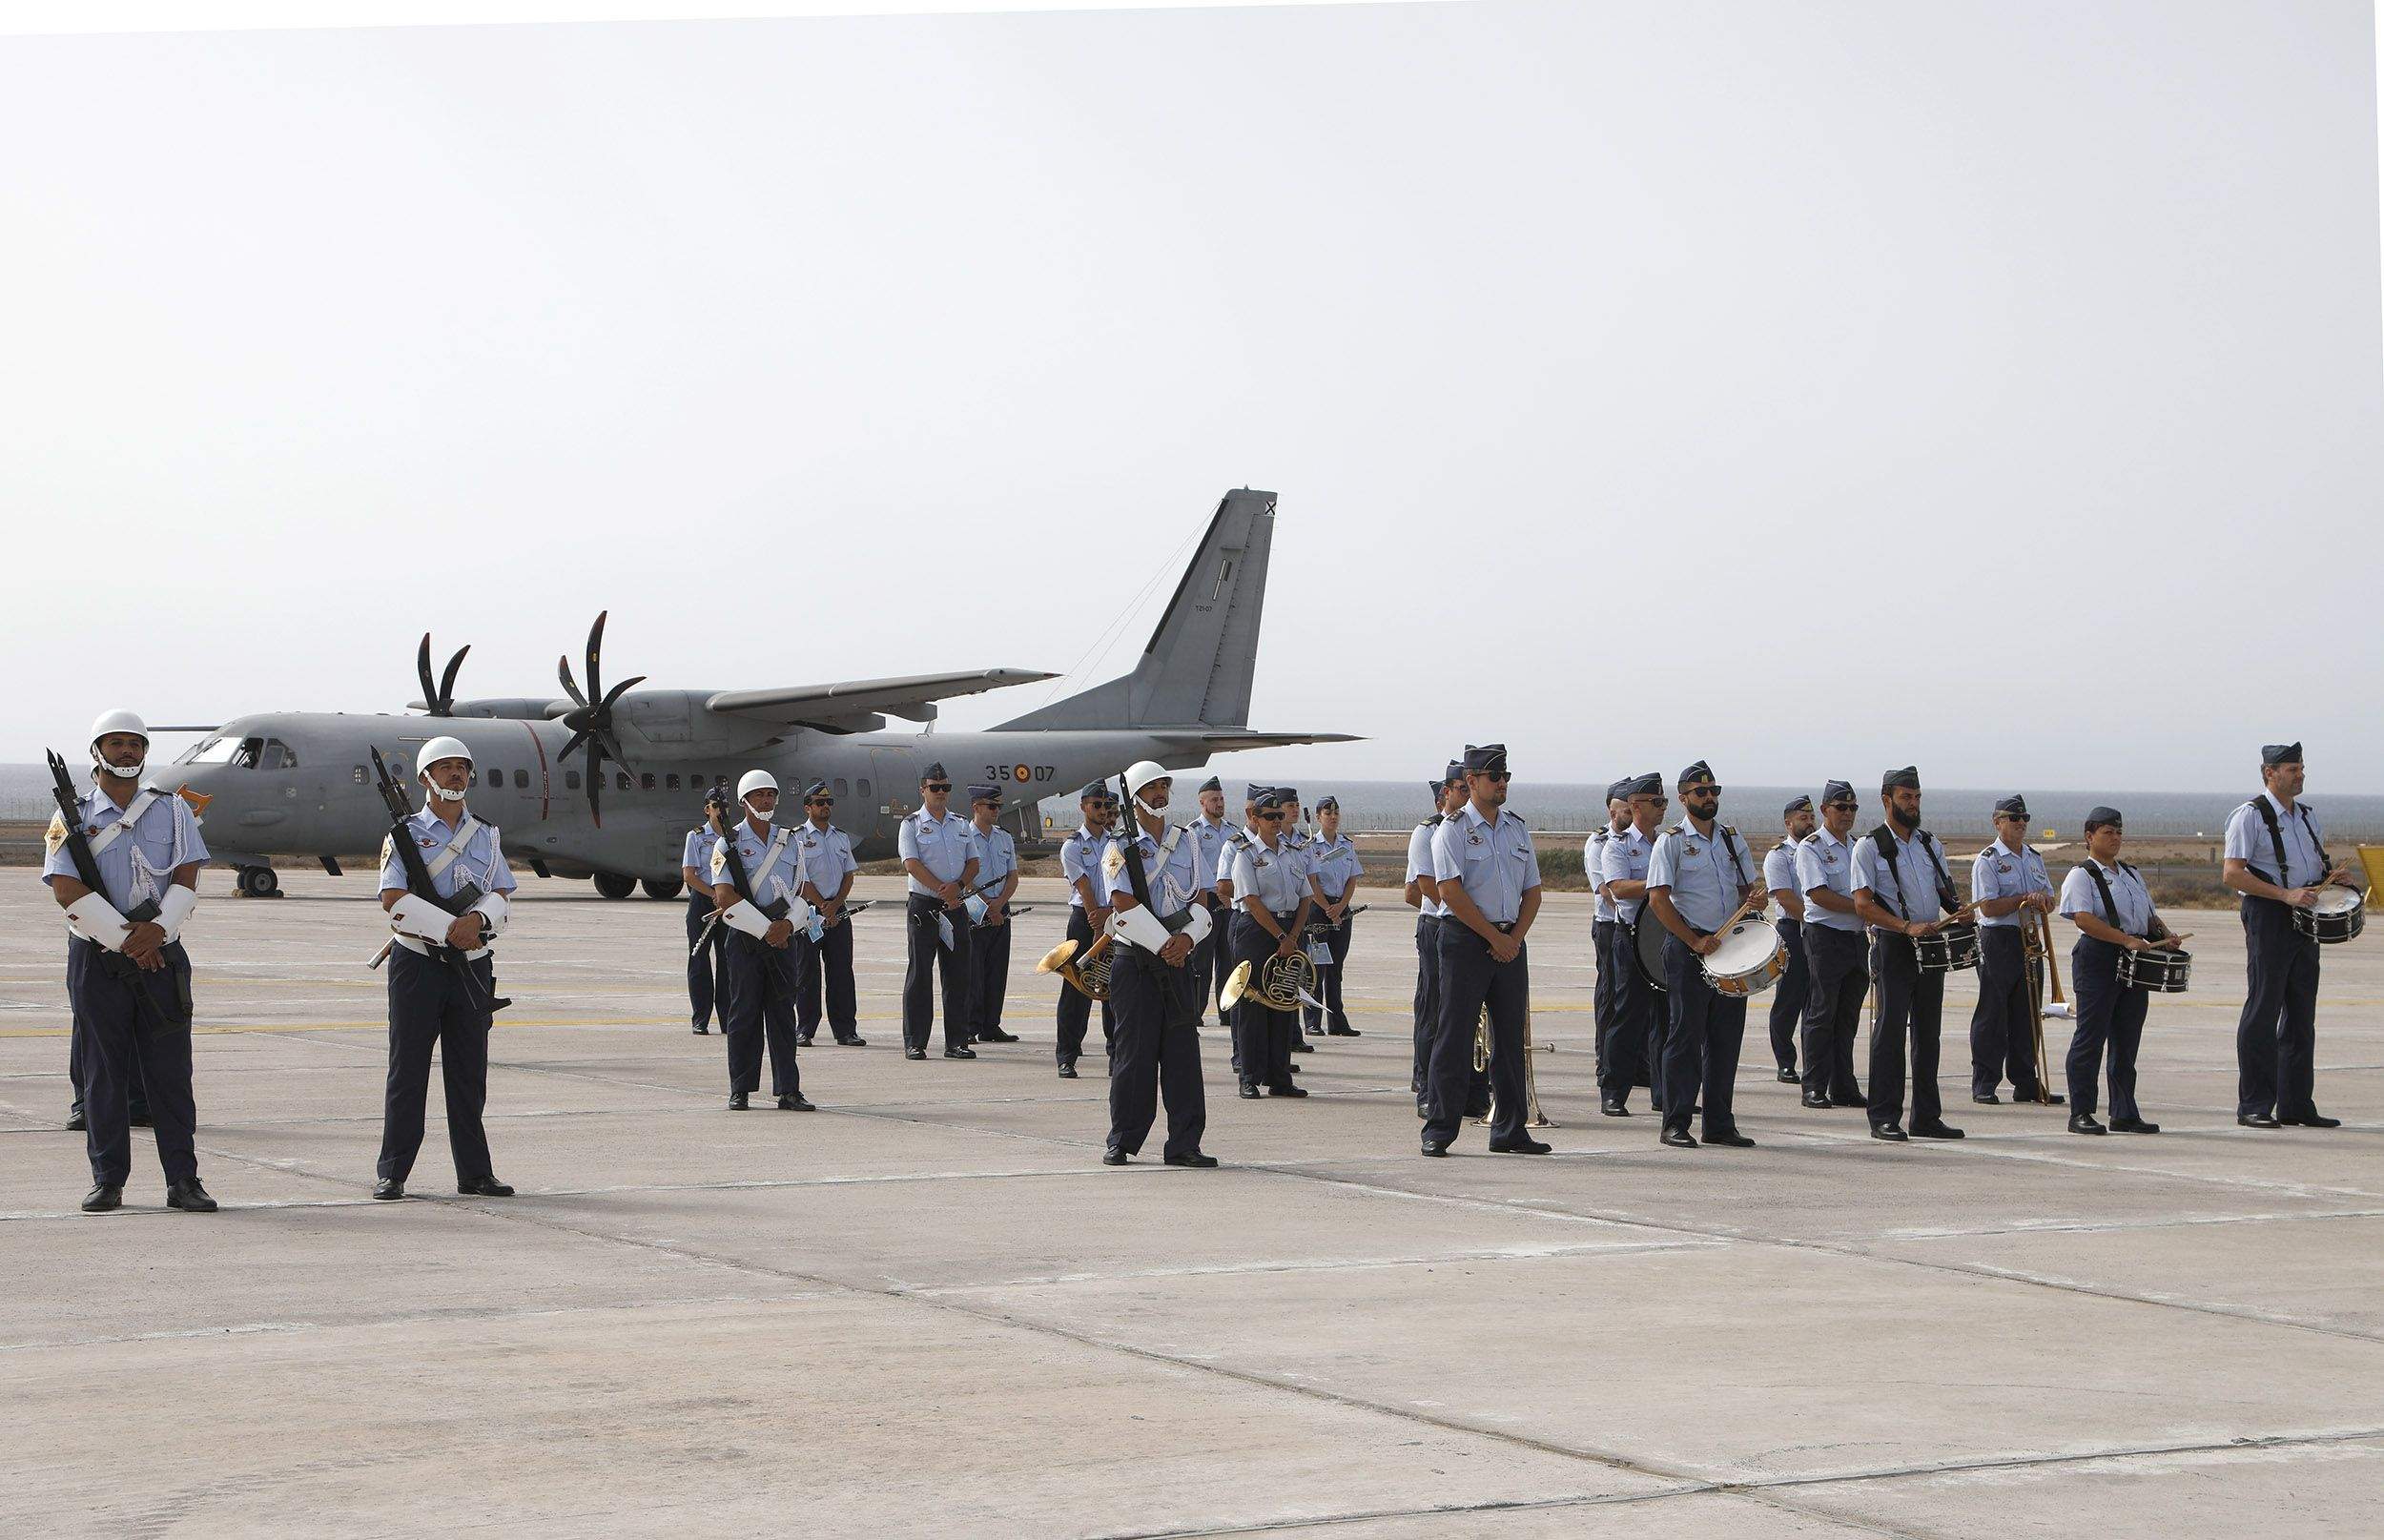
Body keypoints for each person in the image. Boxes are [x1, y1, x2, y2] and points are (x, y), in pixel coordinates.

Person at [42, 710, 215, 1214]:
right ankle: (108, 1180)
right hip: (98, 956)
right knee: (103, 1072)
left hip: (163, 951)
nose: (127, 752)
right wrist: (129, 941)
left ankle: (183, 1181)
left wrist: (157, 932)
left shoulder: (174, 811)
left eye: (135, 744)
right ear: (97, 751)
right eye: (116, 743)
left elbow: (186, 877)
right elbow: (66, 889)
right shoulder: (71, 816)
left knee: (171, 1073)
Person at [372, 735, 518, 1200]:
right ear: (425, 778)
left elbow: (501, 892)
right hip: (417, 964)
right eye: (445, 766)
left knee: (469, 1073)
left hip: (473, 965)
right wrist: (451, 928)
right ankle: (393, 1171)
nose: (456, 773)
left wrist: (475, 923)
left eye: (462, 766)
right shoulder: (404, 835)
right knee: (408, 1070)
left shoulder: (487, 834)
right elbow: (393, 900)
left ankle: (475, 1172)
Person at [1421, 743, 1547, 1157]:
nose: (1502, 783)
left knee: (1510, 1040)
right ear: (1471, 782)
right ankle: (1440, 1128)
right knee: (1453, 1036)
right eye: (1495, 777)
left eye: (1506, 776)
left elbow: (1532, 890)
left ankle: (1510, 1129)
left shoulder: (1516, 828)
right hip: (1466, 940)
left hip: (1511, 941)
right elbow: (1449, 892)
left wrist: (1513, 938)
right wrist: (1495, 939)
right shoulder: (1451, 830)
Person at [2223, 743, 2356, 1129]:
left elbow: (2310, 869)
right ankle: (2254, 1105)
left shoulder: (2307, 817)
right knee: (2262, 1010)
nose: (2300, 775)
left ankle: (2297, 1104)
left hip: (2304, 917)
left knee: (2301, 1014)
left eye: (2302, 768)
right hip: (2268, 914)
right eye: (2292, 769)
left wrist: (2332, 880)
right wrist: (2285, 894)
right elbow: (2232, 874)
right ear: (2270, 773)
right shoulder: (2248, 816)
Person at [1099, 762, 1218, 1167]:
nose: (1160, 792)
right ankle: (1123, 1139)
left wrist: (1184, 942)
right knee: (1134, 1054)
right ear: (1135, 797)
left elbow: (1201, 902)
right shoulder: (1117, 846)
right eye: (1151, 787)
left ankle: (1185, 1143)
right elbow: (1122, 904)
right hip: (1136, 964)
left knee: (1183, 1055)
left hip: (1179, 958)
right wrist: (1166, 944)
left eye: (1164, 785)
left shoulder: (1189, 842)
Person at [1643, 762, 1765, 1149]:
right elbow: (1658, 900)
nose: (1709, 797)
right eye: (1700, 792)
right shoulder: (1672, 841)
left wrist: (1756, 898)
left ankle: (1719, 1123)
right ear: (1683, 798)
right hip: (1689, 947)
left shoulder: (1731, 839)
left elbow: (1747, 889)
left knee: (1726, 1037)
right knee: (1685, 1036)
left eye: (1714, 791)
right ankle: (1675, 1122)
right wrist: (1694, 941)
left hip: (1730, 946)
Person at [1850, 767, 1967, 1142]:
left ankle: (1926, 1117)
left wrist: (1961, 913)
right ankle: (1884, 1116)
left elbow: (1945, 893)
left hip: (1930, 943)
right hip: (1895, 944)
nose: (1913, 804)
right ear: (1887, 800)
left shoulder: (1930, 844)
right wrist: (1905, 927)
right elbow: (1863, 905)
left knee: (1928, 1034)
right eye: (1906, 797)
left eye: (1916, 797)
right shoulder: (1869, 847)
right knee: (1889, 1032)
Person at [2058, 807, 2184, 1135]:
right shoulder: (2081, 875)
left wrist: (2164, 936)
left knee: (2126, 1040)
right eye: (2107, 833)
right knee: (2090, 1037)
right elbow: (2083, 918)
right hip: (2098, 957)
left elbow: (2149, 916)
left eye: (2118, 832)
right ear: (2089, 837)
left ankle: (2124, 1112)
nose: (2115, 839)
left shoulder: (2130, 873)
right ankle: (2081, 1112)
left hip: (2134, 959)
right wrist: (2125, 939)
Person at [708, 770, 813, 1112]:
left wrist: (786, 926)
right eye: (759, 795)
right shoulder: (728, 844)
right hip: (746, 941)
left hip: (784, 938)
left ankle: (788, 1090)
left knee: (783, 1016)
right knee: (744, 1014)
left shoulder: (791, 840)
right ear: (744, 802)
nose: (766, 801)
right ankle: (740, 1088)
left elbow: (800, 890)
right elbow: (724, 895)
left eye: (770, 794)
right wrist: (766, 930)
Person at [1967, 795, 2061, 1105]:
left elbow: (2049, 897)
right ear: (1998, 822)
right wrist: (2024, 898)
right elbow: (1989, 906)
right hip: (1999, 941)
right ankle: (1984, 1081)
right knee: (1993, 1013)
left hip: (2029, 938)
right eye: (2013, 817)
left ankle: (2025, 1080)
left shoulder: (2033, 857)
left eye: (2025, 817)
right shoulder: (1989, 859)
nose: (2021, 822)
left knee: (2028, 1013)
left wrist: (2043, 901)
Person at [1229, 788, 1315, 1099]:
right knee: (1253, 1004)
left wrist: (1292, 936)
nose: (1277, 821)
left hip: (1289, 928)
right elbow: (1251, 900)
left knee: (1284, 1003)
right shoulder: (1246, 854)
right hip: (1257, 930)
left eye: (1280, 816)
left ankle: (1280, 1076)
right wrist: (1280, 936)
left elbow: (1306, 897)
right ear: (1255, 818)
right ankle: (1249, 1076)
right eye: (1270, 817)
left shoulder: (1292, 852)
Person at [1795, 781, 1868, 1110]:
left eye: (1853, 808)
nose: (1848, 814)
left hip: (1857, 938)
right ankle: (1813, 1084)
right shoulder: (1811, 847)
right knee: (1821, 1013)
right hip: (1825, 936)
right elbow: (1818, 894)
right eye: (1841, 808)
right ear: (1825, 810)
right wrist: (1864, 908)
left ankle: (1843, 1084)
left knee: (1848, 1015)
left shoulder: (1860, 847)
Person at [898, 762, 978, 1061]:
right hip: (925, 906)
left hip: (955, 905)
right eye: (935, 788)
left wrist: (957, 886)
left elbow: (974, 863)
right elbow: (911, 863)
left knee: (958, 975)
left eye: (945, 788)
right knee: (920, 974)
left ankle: (956, 1041)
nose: (941, 793)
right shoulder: (911, 824)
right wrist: (940, 888)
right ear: (923, 790)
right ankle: (915, 1042)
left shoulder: (961, 824)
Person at [1597, 772, 1667, 1117]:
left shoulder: (1669, 843)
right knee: (1627, 1016)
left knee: (1667, 1019)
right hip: (1633, 937)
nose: (1662, 808)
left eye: (1664, 802)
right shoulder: (1619, 845)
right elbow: (1618, 888)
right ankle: (1613, 1091)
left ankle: (1664, 1091)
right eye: (1656, 802)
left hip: (1667, 936)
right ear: (1636, 806)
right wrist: (1659, 884)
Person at [1406, 763, 1469, 1116]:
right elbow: (1425, 888)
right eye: (1462, 789)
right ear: (1447, 792)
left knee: (1464, 1011)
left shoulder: (1472, 829)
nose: (1466, 795)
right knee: (1432, 1007)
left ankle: (1467, 1088)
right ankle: (1427, 1088)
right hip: (1438, 925)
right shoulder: (1427, 832)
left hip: (1470, 927)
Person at [792, 780, 864, 1047]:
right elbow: (800, 878)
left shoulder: (840, 837)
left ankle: (846, 1030)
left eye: (828, 803)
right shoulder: (797, 837)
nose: (825, 807)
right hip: (810, 911)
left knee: (842, 972)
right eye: (820, 803)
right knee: (807, 974)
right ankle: (805, 1029)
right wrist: (823, 905)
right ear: (807, 807)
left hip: (838, 910)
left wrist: (836, 905)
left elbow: (848, 874)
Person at [1054, 783, 1118, 1078]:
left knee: (1114, 990)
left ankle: (1117, 1055)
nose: (1102, 811)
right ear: (1083, 807)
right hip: (1085, 919)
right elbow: (1083, 885)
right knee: (1076, 989)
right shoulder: (1073, 844)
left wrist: (1108, 917)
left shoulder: (1116, 842)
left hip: (1114, 918)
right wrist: (1096, 923)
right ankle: (1067, 1055)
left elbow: (1121, 881)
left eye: (1105, 806)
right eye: (1096, 805)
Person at [1761, 795, 1816, 1085]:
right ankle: (1785, 1062)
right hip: (1793, 930)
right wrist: (1818, 917)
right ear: (1789, 822)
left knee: (1816, 1001)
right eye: (1803, 818)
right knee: (1789, 999)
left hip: (1819, 932)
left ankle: (1815, 1062)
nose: (1809, 823)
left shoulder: (1817, 851)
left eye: (1811, 818)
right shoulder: (1779, 856)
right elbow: (1785, 897)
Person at [964, 783, 1022, 1044]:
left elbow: (1012, 875)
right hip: (975, 909)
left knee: (997, 970)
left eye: (998, 806)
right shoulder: (964, 836)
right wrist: (988, 904)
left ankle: (991, 1025)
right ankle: (969, 1025)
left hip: (1001, 907)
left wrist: (1000, 903)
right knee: (972, 971)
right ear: (976, 807)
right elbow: (964, 878)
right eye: (992, 806)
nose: (997, 810)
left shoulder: (1004, 837)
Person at [1302, 796, 1364, 1037]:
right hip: (1319, 911)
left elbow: (1352, 879)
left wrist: (1341, 907)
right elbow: (1311, 881)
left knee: (1336, 968)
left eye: (1336, 812)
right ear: (1318, 817)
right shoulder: (1311, 846)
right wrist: (1328, 908)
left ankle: (1337, 1021)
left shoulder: (1346, 845)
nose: (1333, 817)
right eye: (1328, 813)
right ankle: (1312, 1020)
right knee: (1317, 969)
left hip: (1341, 910)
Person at [1586, 780, 1631, 1103]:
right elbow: (1606, 890)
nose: (1630, 813)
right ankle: (1605, 1059)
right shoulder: (1600, 843)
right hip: (1608, 926)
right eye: (1624, 809)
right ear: (1612, 810)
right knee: (1609, 994)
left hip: (1635, 928)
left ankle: (1637, 1064)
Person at [680, 786, 732, 1036]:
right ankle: (700, 1018)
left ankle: (727, 1018)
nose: (720, 810)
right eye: (715, 806)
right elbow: (689, 875)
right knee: (699, 960)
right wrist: (713, 894)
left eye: (724, 806)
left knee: (728, 961)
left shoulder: (733, 837)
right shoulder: (697, 836)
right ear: (707, 810)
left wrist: (726, 898)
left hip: (727, 904)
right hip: (703, 901)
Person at [1185, 775, 1232, 1024]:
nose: (1220, 803)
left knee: (1228, 962)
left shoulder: (1233, 832)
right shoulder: (1192, 832)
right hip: (1207, 901)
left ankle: (1227, 1012)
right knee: (1201, 962)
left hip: (1229, 903)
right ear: (1202, 803)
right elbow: (1196, 868)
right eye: (1214, 799)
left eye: (1222, 799)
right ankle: (1195, 1013)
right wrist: (1218, 891)